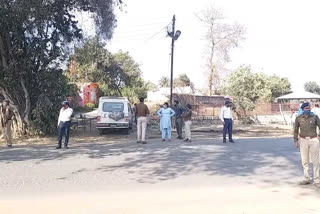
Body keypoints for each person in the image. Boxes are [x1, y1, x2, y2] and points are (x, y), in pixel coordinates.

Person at [294, 102, 320, 188]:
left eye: (309, 108)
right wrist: (295, 140)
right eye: (306, 108)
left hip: (314, 140)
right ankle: (307, 179)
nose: (308, 110)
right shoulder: (298, 118)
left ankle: (316, 180)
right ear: (303, 109)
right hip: (303, 140)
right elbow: (296, 130)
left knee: (316, 161)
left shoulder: (315, 117)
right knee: (305, 160)